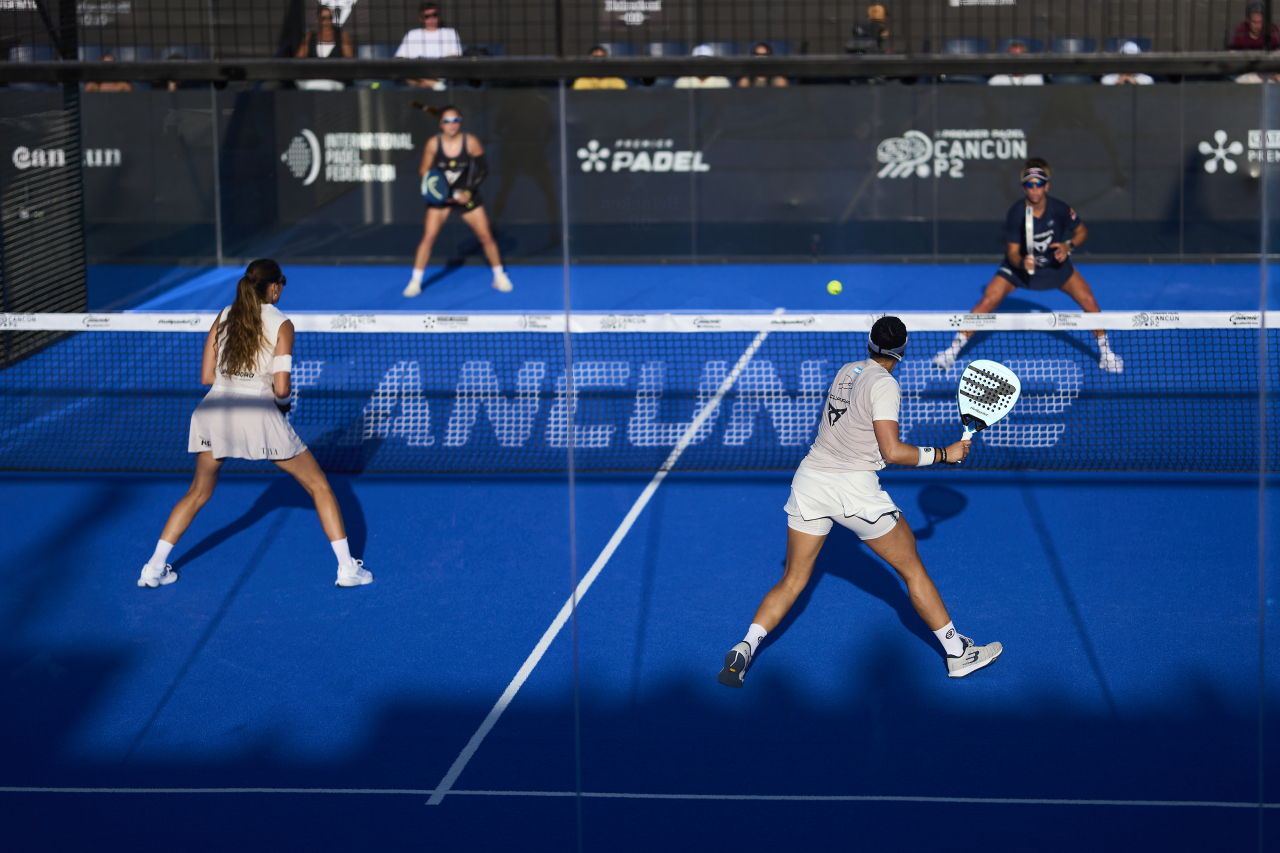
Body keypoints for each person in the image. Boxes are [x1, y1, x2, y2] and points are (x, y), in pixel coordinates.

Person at [718, 316, 1002, 687]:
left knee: (792, 580)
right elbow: (892, 451)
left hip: (810, 482)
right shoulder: (885, 385)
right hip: (854, 492)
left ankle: (746, 645)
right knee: (913, 570)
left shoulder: (846, 371)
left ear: (870, 342)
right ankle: (957, 653)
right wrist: (945, 454)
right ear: (902, 351)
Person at [138, 259, 372, 590]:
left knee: (198, 492)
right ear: (274, 287)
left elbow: (207, 377)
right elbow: (282, 388)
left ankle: (153, 568)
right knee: (319, 485)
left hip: (213, 414)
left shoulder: (224, 315)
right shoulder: (283, 324)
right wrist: (282, 406)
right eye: (281, 284)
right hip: (257, 416)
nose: (281, 289)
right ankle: (348, 569)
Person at [932, 159, 1123, 373]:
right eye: (1029, 185)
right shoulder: (1016, 213)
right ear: (1024, 188)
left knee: (1089, 301)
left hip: (1055, 267)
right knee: (987, 300)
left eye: (1039, 184)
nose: (1034, 189)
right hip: (1019, 270)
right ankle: (950, 353)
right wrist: (1022, 262)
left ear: (1046, 186)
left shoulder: (1060, 209)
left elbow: (1082, 232)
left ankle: (1107, 354)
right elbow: (1012, 253)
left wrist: (1068, 245)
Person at [404, 105, 513, 296]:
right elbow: (423, 171)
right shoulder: (433, 143)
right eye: (447, 121)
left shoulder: (470, 142)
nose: (452, 124)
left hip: (466, 196)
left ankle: (499, 275)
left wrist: (468, 192)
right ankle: (415, 281)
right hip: (441, 199)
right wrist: (438, 188)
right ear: (441, 124)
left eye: (456, 120)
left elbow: (483, 170)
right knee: (428, 238)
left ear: (460, 122)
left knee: (486, 237)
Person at [395, 1, 462, 90]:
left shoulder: (450, 33)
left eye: (434, 15)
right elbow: (400, 58)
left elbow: (455, 56)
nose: (431, 18)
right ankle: (433, 84)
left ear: (439, 16)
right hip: (415, 73)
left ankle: (428, 81)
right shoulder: (411, 34)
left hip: (439, 73)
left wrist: (432, 69)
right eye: (427, 16)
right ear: (421, 18)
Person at [295, 5, 355, 91]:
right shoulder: (310, 37)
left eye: (329, 17)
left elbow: (349, 59)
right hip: (313, 79)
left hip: (335, 80)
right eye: (323, 18)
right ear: (318, 20)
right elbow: (298, 59)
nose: (327, 20)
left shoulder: (342, 36)